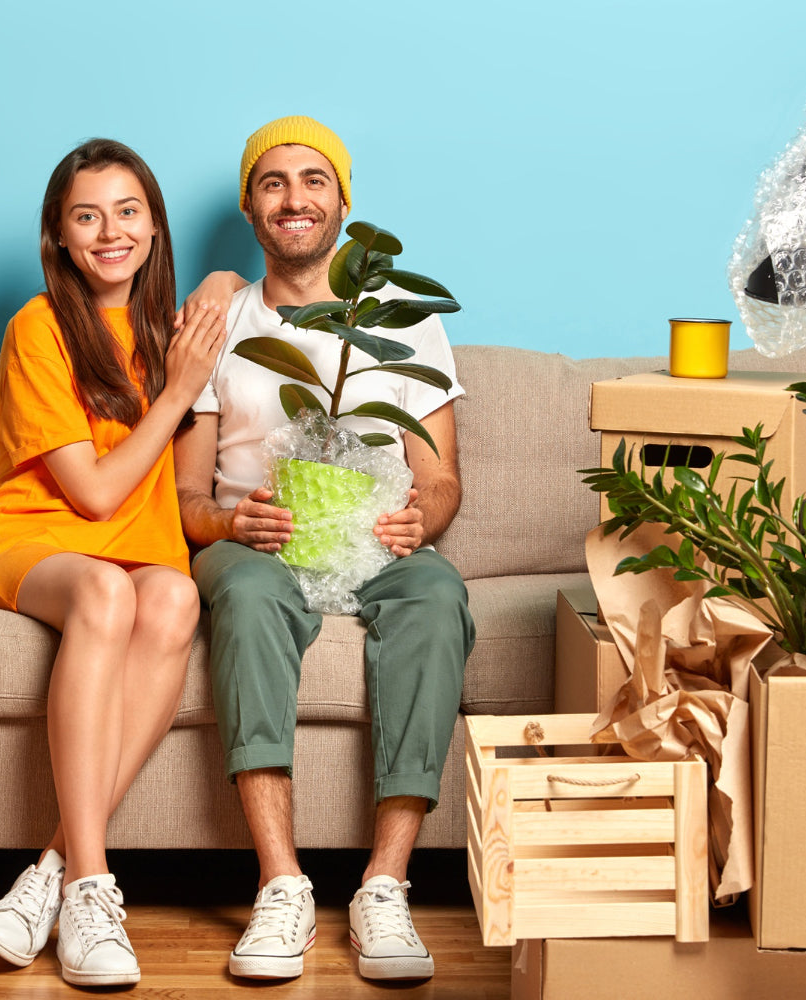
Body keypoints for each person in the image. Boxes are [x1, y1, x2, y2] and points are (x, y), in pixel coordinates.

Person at [173, 116, 476, 983]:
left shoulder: (404, 322)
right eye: (273, 183)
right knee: (247, 595)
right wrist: (233, 526)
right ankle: (281, 886)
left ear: (344, 200)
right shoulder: (217, 322)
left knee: (438, 595)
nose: (294, 198)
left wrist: (425, 521)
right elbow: (189, 498)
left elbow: (443, 475)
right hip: (258, 546)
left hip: (374, 543)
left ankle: (385, 885)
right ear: (249, 205)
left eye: (313, 180)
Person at [0, 138, 226, 988]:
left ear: (155, 226)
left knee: (174, 598)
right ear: (59, 237)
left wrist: (213, 308)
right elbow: (95, 496)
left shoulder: (173, 330)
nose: (111, 232)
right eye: (87, 216)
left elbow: (184, 486)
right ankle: (94, 887)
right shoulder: (38, 326)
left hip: (143, 553)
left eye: (128, 211)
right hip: (34, 537)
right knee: (107, 591)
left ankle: (46, 880)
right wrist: (177, 392)